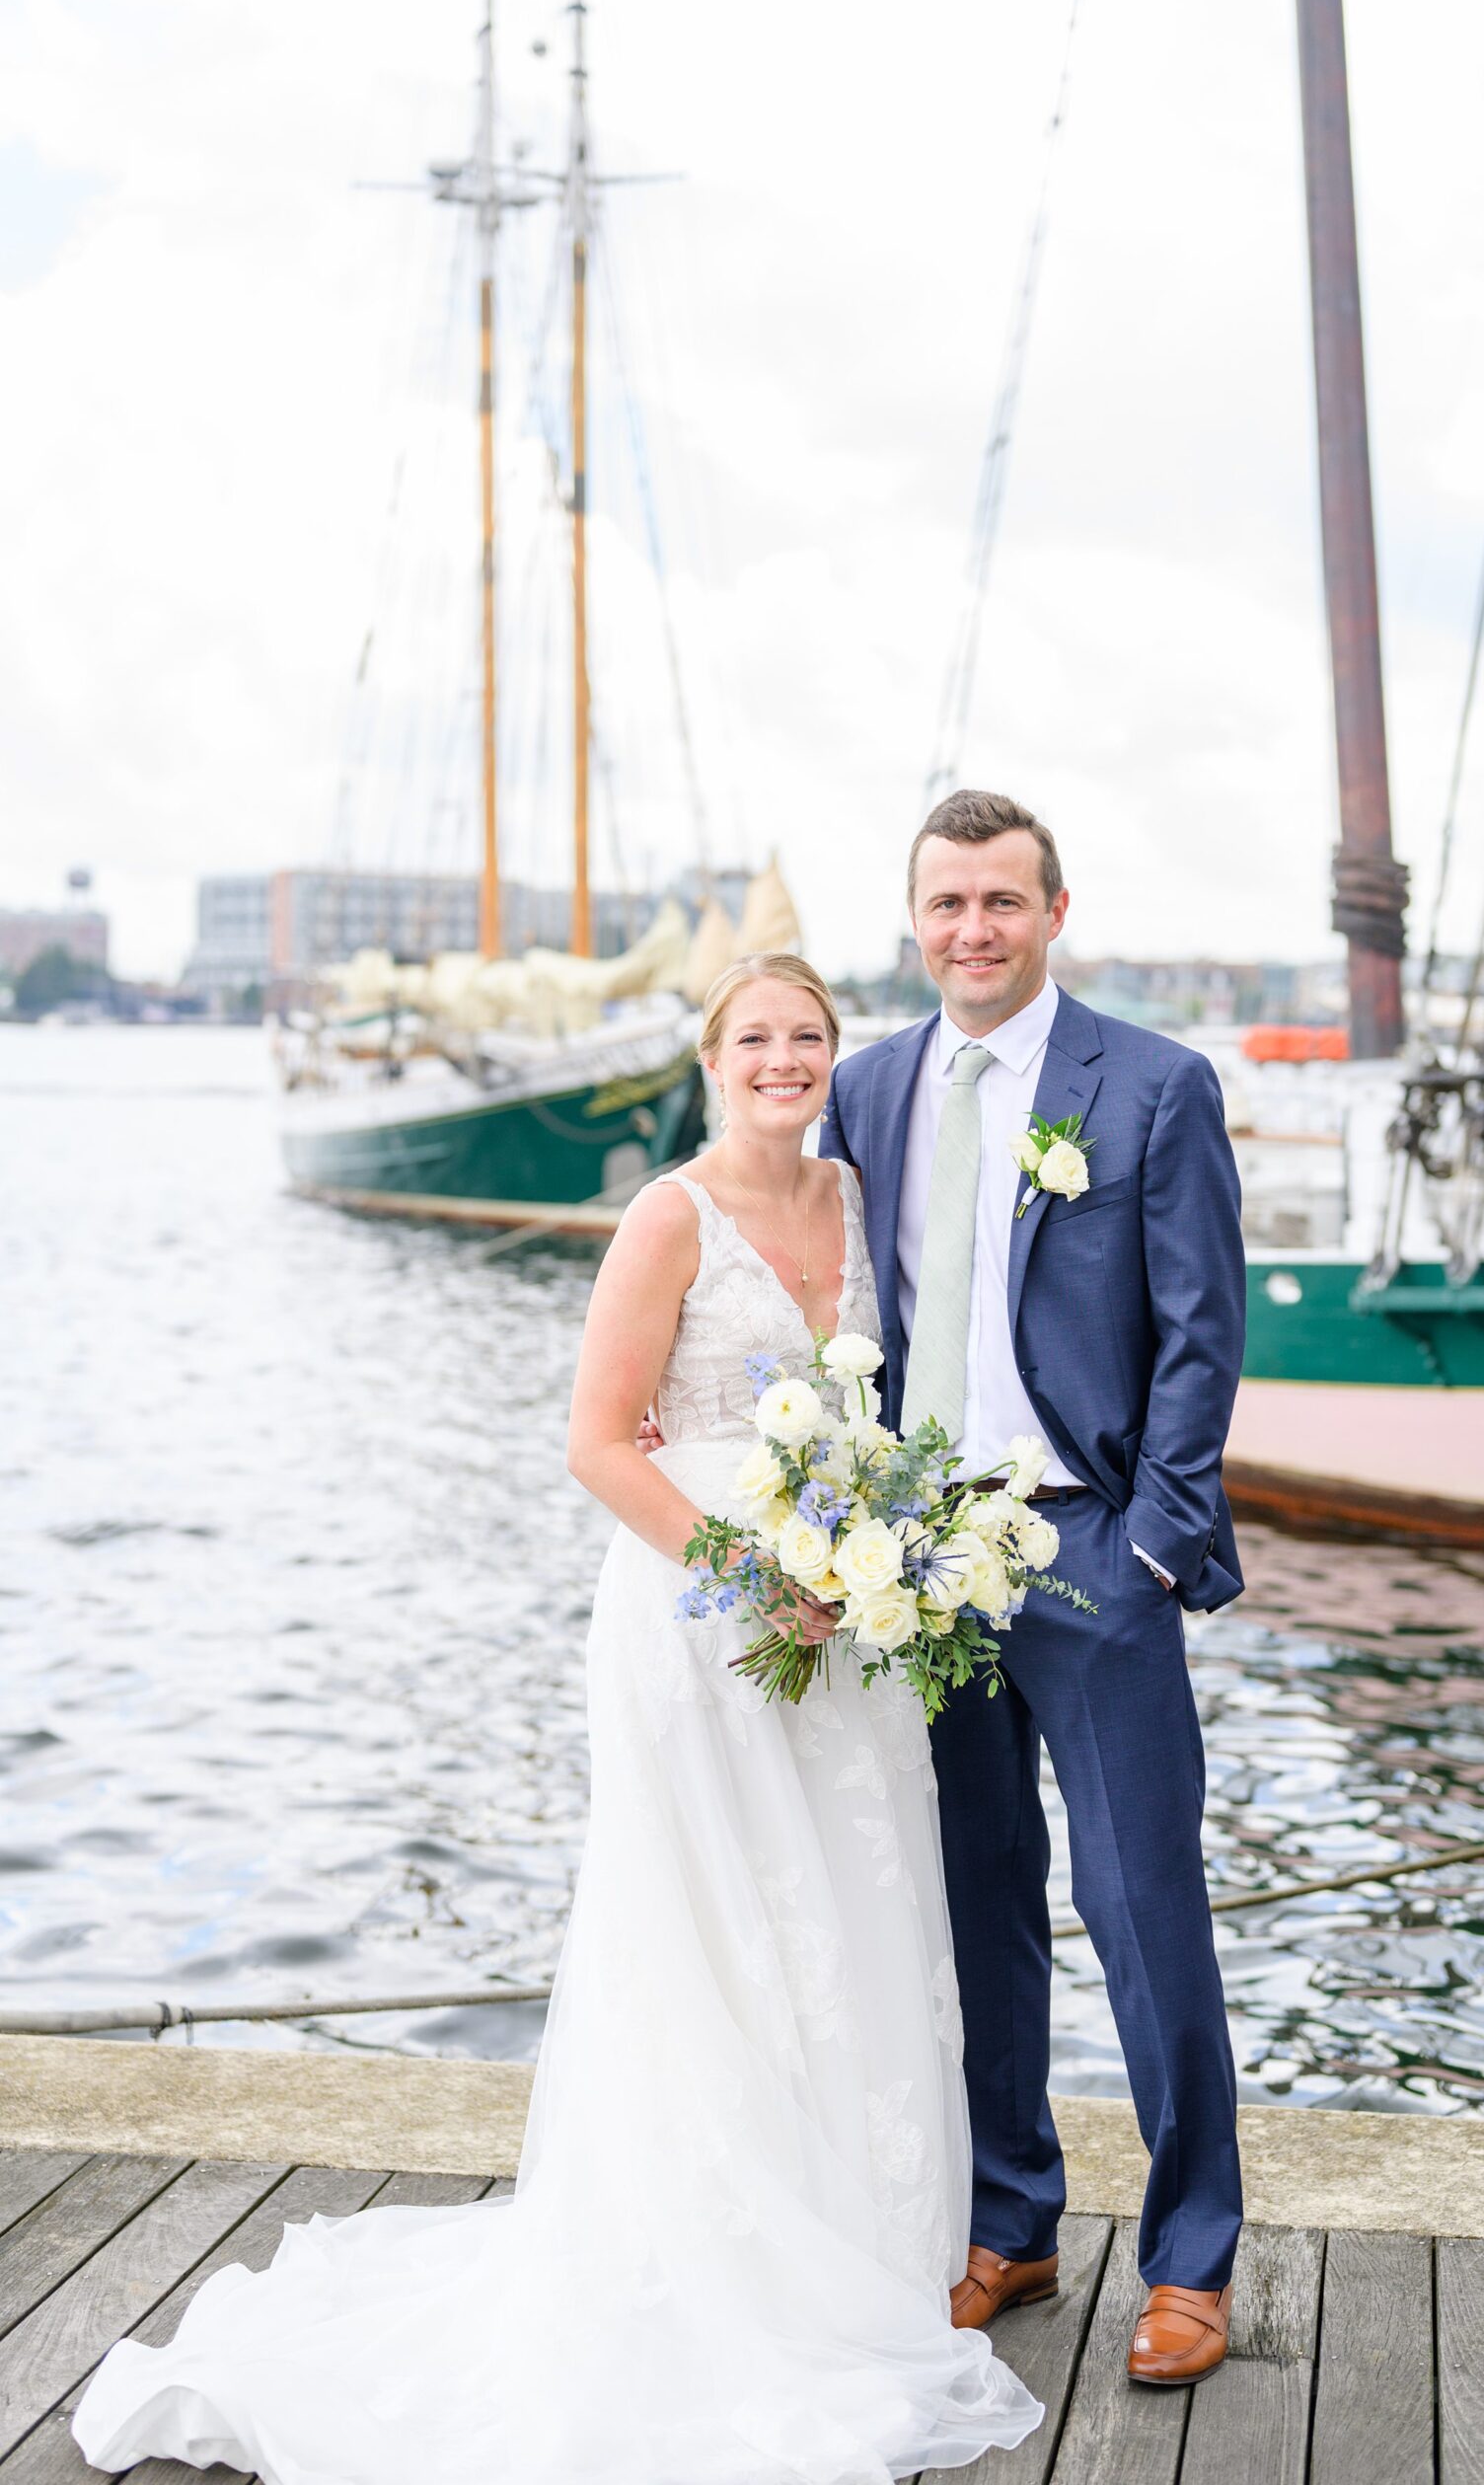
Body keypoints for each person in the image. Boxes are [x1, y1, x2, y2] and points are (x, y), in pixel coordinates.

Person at [71, 952, 1042, 2484]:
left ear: (833, 1060)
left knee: (852, 1904)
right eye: (756, 1041)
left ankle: (855, 2241)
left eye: (808, 1039)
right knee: (709, 1923)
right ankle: (708, 2252)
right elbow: (597, 1442)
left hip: (845, 1615)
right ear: (711, 1058)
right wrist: (746, 1571)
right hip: (695, 1606)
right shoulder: (668, 1216)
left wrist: (872, 1562)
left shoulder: (859, 1201)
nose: (784, 1061)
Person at [822, 791, 1247, 2387]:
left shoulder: (1150, 1085)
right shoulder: (866, 1089)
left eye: (1004, 901)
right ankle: (1013, 2220)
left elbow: (1205, 1331)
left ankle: (1193, 2256)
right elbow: (836, 1301)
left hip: (1090, 1550)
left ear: (1055, 912)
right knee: (974, 1908)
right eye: (948, 904)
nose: (974, 931)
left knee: (1144, 1908)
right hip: (918, 1561)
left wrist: (1150, 1542)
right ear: (915, 918)